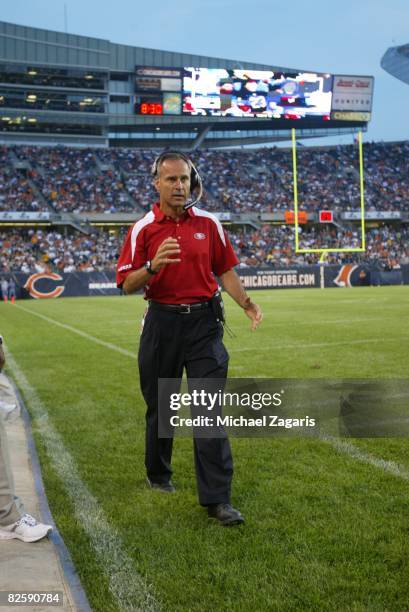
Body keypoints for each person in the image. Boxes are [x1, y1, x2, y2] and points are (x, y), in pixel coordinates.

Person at [116, 151, 262, 527]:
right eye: (171, 179)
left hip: (204, 325)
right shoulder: (143, 228)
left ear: (191, 181)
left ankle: (218, 500)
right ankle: (159, 474)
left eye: (184, 179)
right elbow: (126, 284)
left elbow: (225, 270)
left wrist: (245, 302)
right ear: (156, 183)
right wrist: (152, 266)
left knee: (208, 411)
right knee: (161, 408)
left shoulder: (210, 223)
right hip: (162, 324)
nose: (179, 186)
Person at [0, 335, 53, 542]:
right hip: (160, 320)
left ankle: (160, 474)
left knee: (164, 389)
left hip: (163, 321)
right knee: (164, 391)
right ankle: (7, 518)